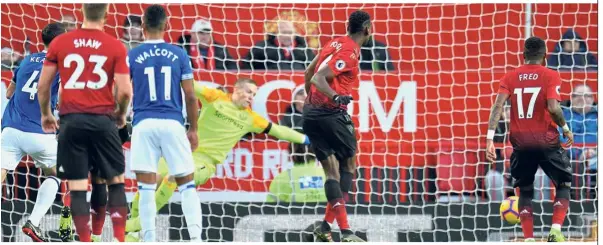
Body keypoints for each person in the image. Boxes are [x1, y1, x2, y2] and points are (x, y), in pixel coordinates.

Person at [124, 78, 310, 240]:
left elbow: (279, 131)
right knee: (150, 180)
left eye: (254, 95)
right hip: (183, 151)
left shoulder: (251, 118)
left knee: (175, 175)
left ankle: (136, 224)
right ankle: (131, 233)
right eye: (249, 92)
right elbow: (190, 85)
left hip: (204, 163)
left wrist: (305, 138)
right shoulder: (216, 98)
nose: (251, 97)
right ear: (236, 89)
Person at [37, 4, 132, 242]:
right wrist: (120, 114)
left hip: (72, 121)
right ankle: (107, 238)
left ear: (81, 13)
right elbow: (125, 91)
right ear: (107, 16)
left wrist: (47, 114)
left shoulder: (61, 43)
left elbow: (44, 86)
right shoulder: (115, 45)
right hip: (103, 120)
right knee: (108, 182)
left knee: (77, 184)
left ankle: (82, 238)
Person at [485, 36, 574, 242]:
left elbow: (498, 107)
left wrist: (489, 138)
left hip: (521, 144)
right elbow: (553, 107)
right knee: (563, 184)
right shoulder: (551, 75)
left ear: (523, 55)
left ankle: (528, 239)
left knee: (524, 191)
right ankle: (556, 231)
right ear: (544, 57)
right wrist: (566, 129)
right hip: (547, 141)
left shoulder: (509, 77)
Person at [127, 5, 202, 242]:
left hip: (143, 124)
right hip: (172, 124)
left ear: (142, 25)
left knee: (146, 188)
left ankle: (149, 239)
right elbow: (190, 96)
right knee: (187, 185)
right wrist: (194, 128)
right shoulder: (179, 53)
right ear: (166, 25)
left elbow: (121, 92)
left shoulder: (131, 54)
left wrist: (120, 116)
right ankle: (197, 239)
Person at [301, 10, 371, 242]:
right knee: (349, 164)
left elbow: (309, 71)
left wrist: (311, 102)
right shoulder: (350, 52)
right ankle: (347, 232)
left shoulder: (334, 42)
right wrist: (334, 97)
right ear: (367, 28)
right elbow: (317, 78)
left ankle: (324, 226)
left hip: (310, 114)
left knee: (331, 170)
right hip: (332, 113)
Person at [0, 22, 72, 242]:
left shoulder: (25, 61)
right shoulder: (62, 65)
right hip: (41, 133)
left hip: (11, 130)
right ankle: (34, 221)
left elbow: (10, 93)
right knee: (55, 175)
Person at [242, 20, 315, 71]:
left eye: (291, 33)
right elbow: (247, 64)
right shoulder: (262, 48)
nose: (288, 36)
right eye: (284, 32)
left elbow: (314, 69)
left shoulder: (306, 51)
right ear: (277, 33)